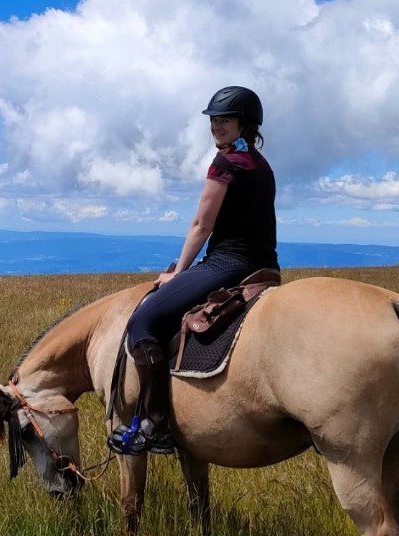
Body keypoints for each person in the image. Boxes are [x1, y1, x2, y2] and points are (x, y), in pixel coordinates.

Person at [108, 85, 279, 455]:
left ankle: (155, 424)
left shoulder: (225, 163)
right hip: (265, 267)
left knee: (143, 323)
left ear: (244, 124)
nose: (216, 125)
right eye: (213, 119)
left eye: (225, 119)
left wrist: (178, 272)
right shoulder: (261, 165)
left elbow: (202, 224)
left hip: (228, 264)